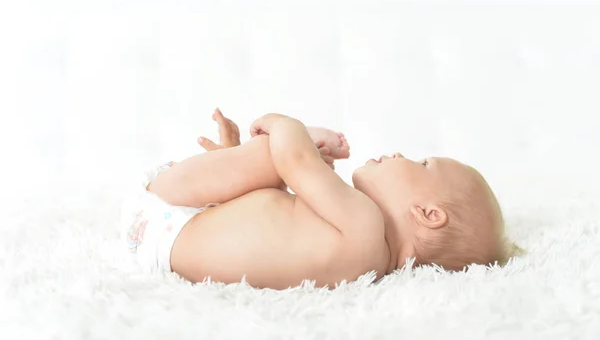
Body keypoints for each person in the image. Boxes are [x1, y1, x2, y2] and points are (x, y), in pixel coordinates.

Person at [121, 109, 519, 289]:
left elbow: (292, 159)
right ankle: (230, 161)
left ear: (428, 213)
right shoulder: (364, 260)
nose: (399, 154)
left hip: (166, 214)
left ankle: (238, 160)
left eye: (421, 163)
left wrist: (285, 124)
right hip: (173, 242)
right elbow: (269, 232)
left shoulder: (366, 225)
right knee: (294, 178)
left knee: (283, 155)